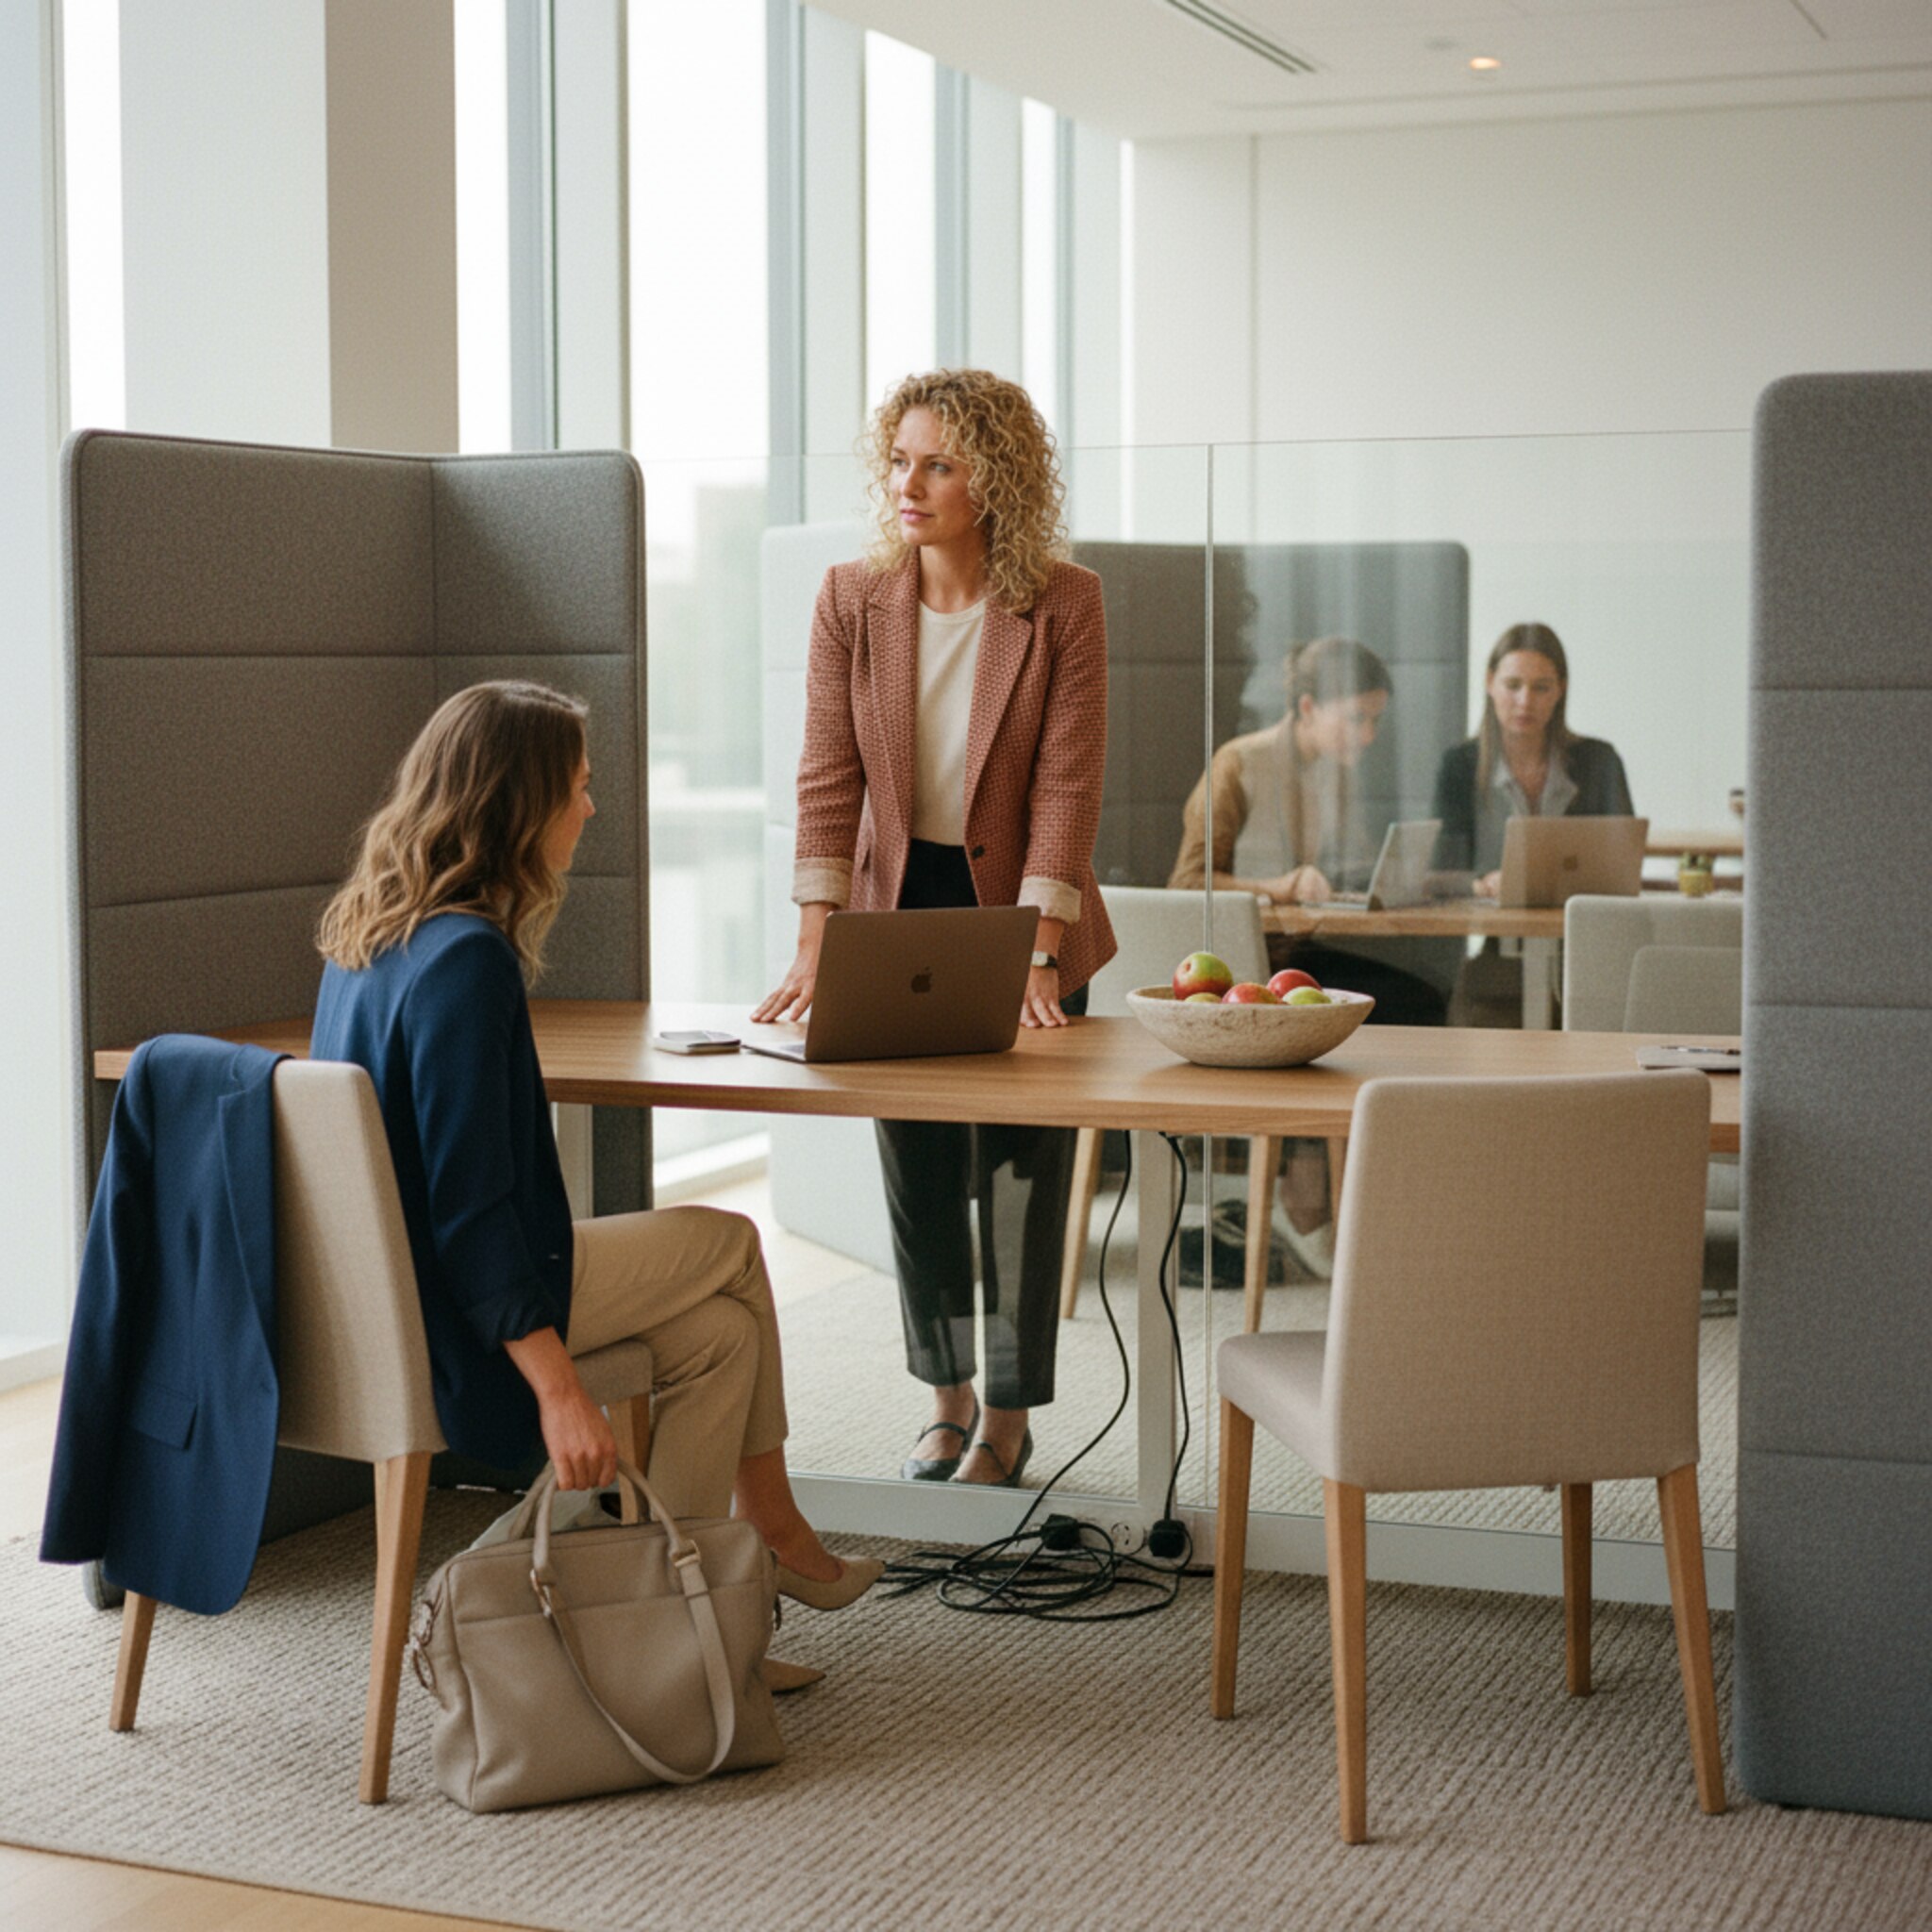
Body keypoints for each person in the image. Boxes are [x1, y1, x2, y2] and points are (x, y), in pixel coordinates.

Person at [311, 680, 879, 1656]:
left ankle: (683, 1638)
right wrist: (559, 1391)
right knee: (732, 1244)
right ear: (519, 803)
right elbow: (472, 1215)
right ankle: (770, 1533)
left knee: (719, 1336)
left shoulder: (368, 935)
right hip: (458, 1315)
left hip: (392, 1302)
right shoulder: (466, 961)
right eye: (575, 786)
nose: (590, 806)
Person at [754, 369, 1115, 1490]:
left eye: (938, 464)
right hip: (897, 906)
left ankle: (1007, 1414)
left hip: (1023, 911)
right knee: (915, 1168)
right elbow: (827, 773)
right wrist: (816, 934)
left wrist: (1038, 953)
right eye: (900, 461)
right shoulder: (850, 597)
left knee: (1016, 1178)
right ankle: (945, 1398)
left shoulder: (1063, 602)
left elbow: (1066, 786)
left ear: (993, 480)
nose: (907, 484)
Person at [1167, 635, 1447, 1028]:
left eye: (1375, 720)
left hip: (1303, 952)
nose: (1369, 736)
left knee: (1424, 992)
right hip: (1249, 963)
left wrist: (1411, 878)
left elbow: (1352, 863)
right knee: (1418, 1000)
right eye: (1356, 718)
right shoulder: (1237, 764)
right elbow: (1186, 882)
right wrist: (1283, 886)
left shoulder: (1336, 772)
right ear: (1307, 708)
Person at [1433, 621, 1634, 894]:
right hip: (1489, 918)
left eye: (1541, 688)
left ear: (1561, 689)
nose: (1525, 701)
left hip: (1576, 918)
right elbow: (1442, 872)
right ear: (1490, 682)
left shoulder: (1600, 761)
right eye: (1512, 685)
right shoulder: (1459, 765)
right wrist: (1482, 882)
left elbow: (1623, 863)